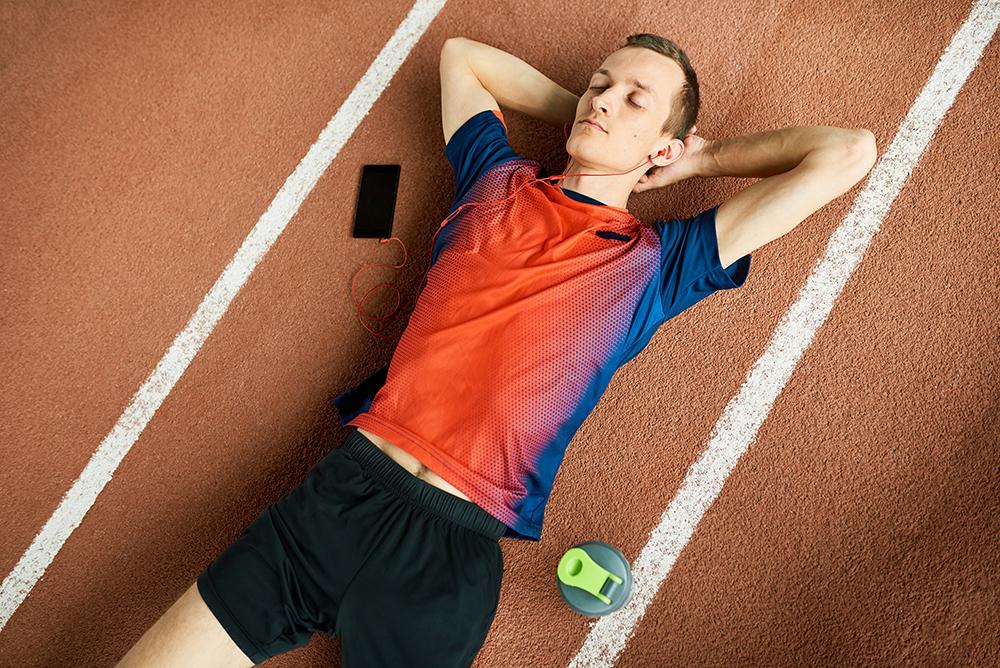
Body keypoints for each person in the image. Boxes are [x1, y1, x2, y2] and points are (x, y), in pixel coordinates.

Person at [117, 32, 876, 667]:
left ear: (666, 138)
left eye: (632, 99)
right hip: (332, 502)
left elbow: (846, 153)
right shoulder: (495, 177)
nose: (603, 98)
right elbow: (460, 57)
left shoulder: (659, 263)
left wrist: (695, 163)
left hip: (447, 561)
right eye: (598, 85)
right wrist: (590, 120)